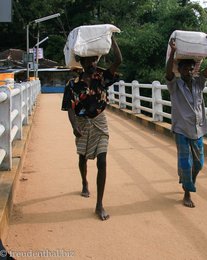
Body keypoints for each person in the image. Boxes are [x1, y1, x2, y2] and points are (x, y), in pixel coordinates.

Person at [61, 36, 122, 220]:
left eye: (94, 59)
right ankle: (84, 182)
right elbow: (70, 109)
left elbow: (118, 60)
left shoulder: (102, 78)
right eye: (88, 60)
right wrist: (74, 127)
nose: (92, 63)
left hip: (100, 121)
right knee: (82, 158)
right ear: (80, 61)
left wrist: (112, 38)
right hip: (82, 123)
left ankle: (99, 204)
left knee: (102, 161)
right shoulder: (72, 84)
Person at [165, 34, 207, 208]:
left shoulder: (198, 83)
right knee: (186, 163)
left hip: (198, 128)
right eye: (185, 67)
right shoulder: (174, 85)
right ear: (180, 68)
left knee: (199, 164)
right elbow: (168, 73)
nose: (189, 70)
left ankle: (189, 181)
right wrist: (172, 51)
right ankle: (187, 193)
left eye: (191, 67)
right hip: (181, 129)